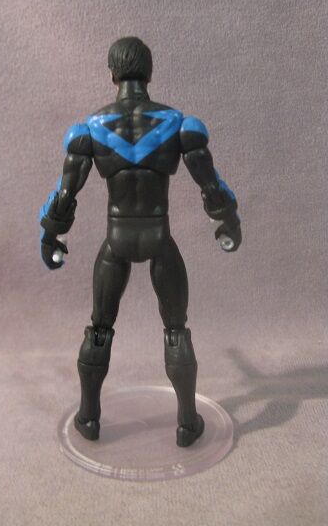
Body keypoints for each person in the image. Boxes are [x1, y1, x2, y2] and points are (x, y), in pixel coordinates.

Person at [39, 37, 241, 447]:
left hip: (116, 239)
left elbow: (66, 192)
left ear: (112, 74)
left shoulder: (90, 129)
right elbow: (209, 182)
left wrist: (51, 232)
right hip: (158, 236)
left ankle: (89, 418)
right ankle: (187, 422)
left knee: (99, 328)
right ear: (149, 73)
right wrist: (227, 219)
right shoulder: (178, 125)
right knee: (176, 329)